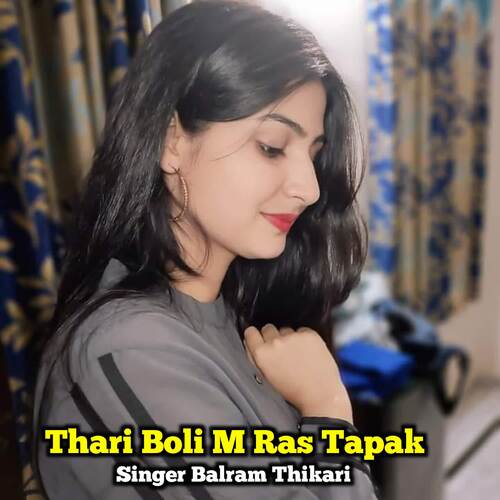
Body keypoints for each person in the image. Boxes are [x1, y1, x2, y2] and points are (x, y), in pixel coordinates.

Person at [32, 1, 378, 498]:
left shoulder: (228, 306)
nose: (309, 188)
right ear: (171, 141)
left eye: (313, 155)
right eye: (272, 146)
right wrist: (328, 410)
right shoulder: (133, 351)